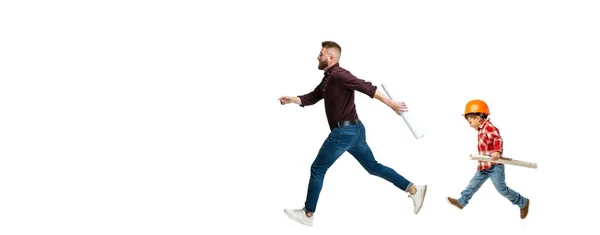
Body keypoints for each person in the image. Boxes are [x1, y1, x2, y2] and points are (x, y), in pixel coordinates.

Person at [279, 41, 427, 227]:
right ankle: (414, 189)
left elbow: (367, 87)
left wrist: (391, 104)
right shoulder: (328, 78)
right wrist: (292, 99)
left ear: (331, 58)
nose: (318, 56)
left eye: (321, 54)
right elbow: (313, 97)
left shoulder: (340, 75)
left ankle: (308, 214)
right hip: (355, 131)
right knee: (373, 167)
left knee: (318, 169)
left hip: (344, 132)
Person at [447, 99, 530, 219]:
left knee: (502, 189)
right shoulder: (481, 129)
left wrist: (497, 151)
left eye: (470, 122)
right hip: (484, 165)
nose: (470, 125)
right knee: (473, 184)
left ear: (478, 118)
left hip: (495, 166)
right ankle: (461, 201)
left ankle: (522, 202)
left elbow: (498, 139)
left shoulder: (488, 127)